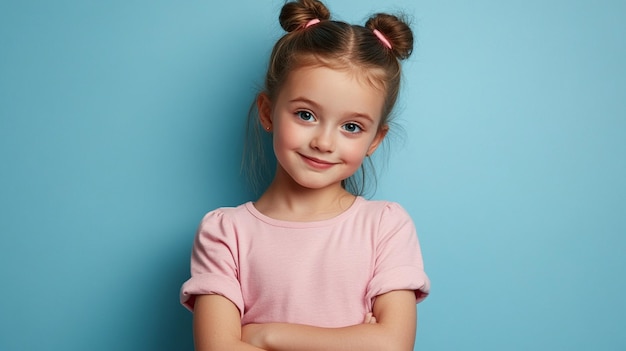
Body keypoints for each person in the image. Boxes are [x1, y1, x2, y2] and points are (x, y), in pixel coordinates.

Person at [180, 0, 430, 350]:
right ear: (268, 113)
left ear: (375, 139)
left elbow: (392, 345)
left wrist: (265, 336)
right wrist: (354, 339)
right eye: (306, 115)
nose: (325, 142)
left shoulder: (385, 227)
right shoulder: (225, 233)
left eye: (352, 126)